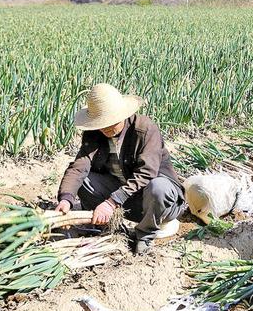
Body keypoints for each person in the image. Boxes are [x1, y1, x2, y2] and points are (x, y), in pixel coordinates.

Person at [54, 83, 186, 255]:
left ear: (122, 114)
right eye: (102, 124)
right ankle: (112, 227)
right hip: (127, 198)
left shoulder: (145, 129)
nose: (106, 128)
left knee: (158, 188)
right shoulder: (94, 133)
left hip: (159, 203)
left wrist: (111, 202)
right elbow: (79, 166)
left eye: (111, 122)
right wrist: (66, 199)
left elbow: (146, 173)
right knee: (84, 181)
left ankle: (144, 235)